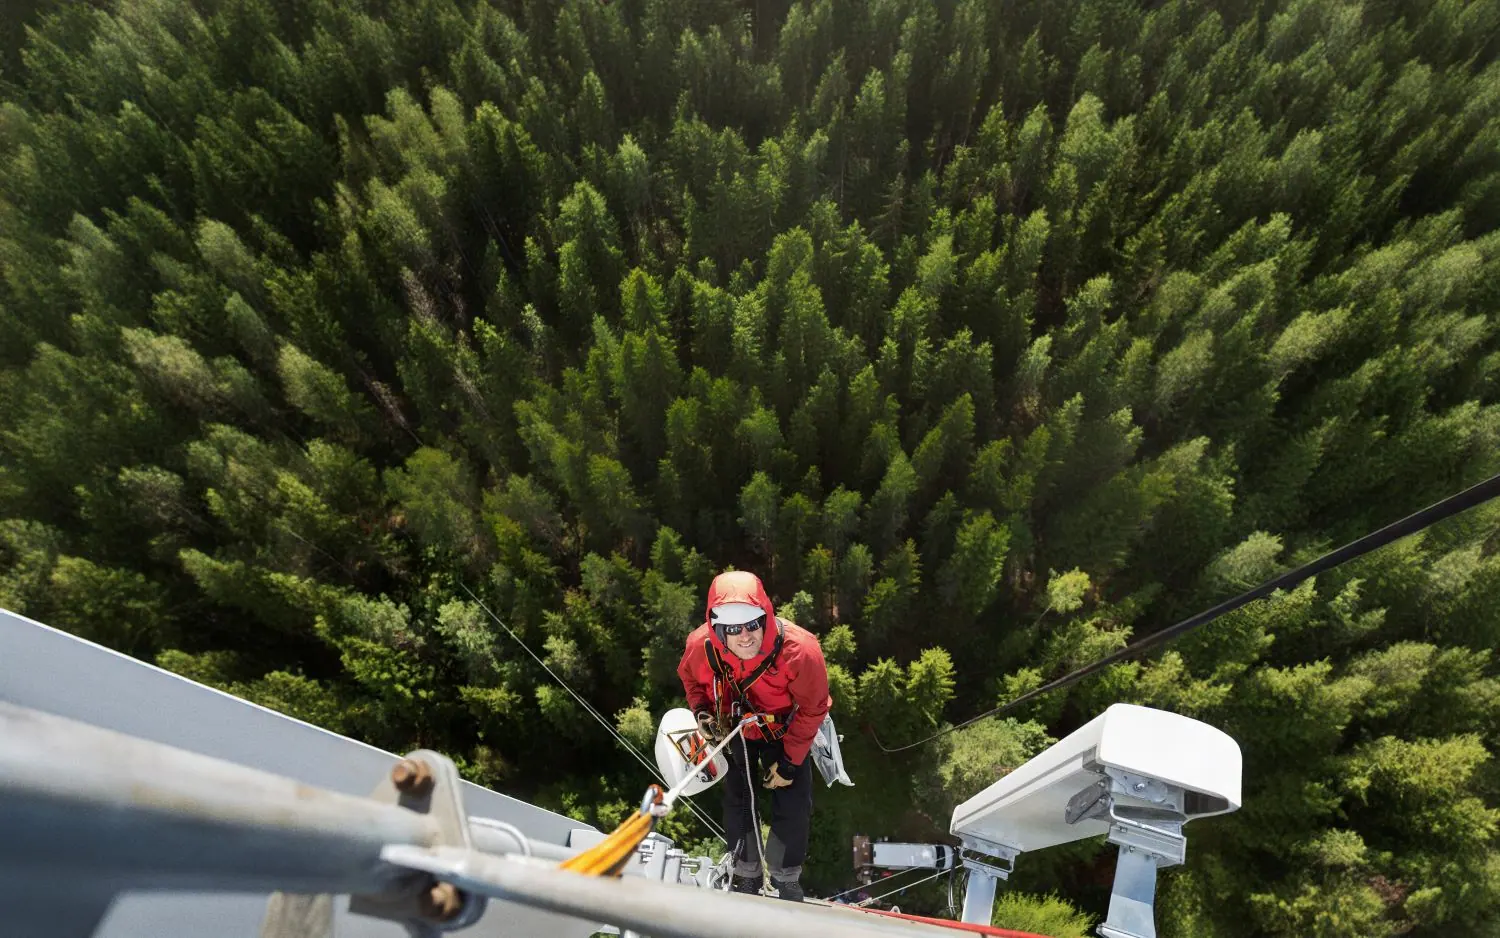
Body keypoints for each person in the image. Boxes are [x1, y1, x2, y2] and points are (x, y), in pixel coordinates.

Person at [677, 570, 830, 902]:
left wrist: (789, 763)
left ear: (765, 618)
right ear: (718, 630)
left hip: (784, 729)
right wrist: (701, 712)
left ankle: (785, 877)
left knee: (793, 799)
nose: (744, 636)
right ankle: (746, 874)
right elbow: (691, 681)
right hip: (735, 727)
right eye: (733, 629)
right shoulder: (700, 647)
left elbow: (813, 708)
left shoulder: (800, 651)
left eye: (752, 625)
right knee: (738, 798)